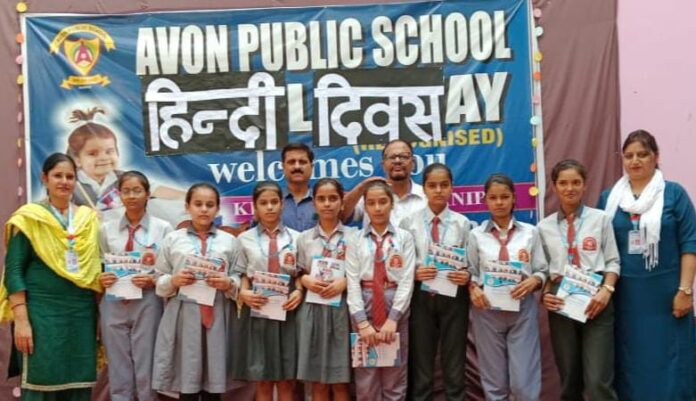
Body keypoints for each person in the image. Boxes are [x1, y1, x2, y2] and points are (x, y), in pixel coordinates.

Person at [597, 130, 696, 401]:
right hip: (625, 297)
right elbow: (599, 248)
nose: (635, 161)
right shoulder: (609, 199)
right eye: (628, 156)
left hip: (668, 296)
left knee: (672, 363)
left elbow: (690, 244)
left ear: (656, 156)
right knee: (631, 362)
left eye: (642, 154)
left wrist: (685, 291)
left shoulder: (674, 194)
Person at [0, 152, 102, 401]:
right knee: (41, 382)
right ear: (44, 178)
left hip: (81, 314)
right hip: (41, 315)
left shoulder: (87, 219)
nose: (64, 181)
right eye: (58, 175)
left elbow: (96, 269)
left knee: (78, 382)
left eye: (70, 176)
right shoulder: (29, 218)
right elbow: (13, 271)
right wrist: (22, 321)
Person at [537, 160, 620, 401]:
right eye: (563, 183)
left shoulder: (601, 220)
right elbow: (542, 270)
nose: (569, 188)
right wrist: (545, 295)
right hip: (562, 304)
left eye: (576, 182)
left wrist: (607, 290)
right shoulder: (544, 227)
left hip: (597, 301)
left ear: (585, 185)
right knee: (569, 381)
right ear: (554, 186)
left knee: (597, 383)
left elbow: (613, 261)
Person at [151, 183, 241, 401]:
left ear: (217, 209)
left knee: (214, 384)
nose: (204, 209)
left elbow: (240, 279)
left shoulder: (229, 241)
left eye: (210, 205)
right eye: (198, 204)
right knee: (187, 380)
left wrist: (228, 283)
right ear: (187, 206)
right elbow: (158, 279)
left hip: (218, 314)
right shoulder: (173, 239)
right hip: (184, 316)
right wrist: (174, 280)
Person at [467, 174, 548, 401]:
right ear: (485, 201)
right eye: (493, 198)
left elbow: (542, 269)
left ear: (514, 198)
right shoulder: (476, 235)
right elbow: (470, 272)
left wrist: (535, 280)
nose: (499, 202)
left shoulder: (530, 232)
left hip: (522, 310)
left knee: (524, 383)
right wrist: (473, 289)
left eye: (504, 197)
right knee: (494, 383)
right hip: (487, 312)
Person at [98, 171, 174, 401]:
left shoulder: (163, 229)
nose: (131, 196)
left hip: (147, 302)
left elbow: (169, 270)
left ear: (148, 194)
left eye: (137, 190)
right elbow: (100, 264)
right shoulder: (106, 229)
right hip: (113, 303)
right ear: (119, 195)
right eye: (126, 191)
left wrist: (153, 279)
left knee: (146, 363)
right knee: (118, 364)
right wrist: (102, 278)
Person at [399, 163, 471, 401]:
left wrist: (466, 275)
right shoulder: (408, 223)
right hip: (420, 296)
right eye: (432, 185)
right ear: (425, 189)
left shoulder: (463, 224)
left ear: (452, 188)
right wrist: (414, 274)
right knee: (421, 363)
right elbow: (400, 265)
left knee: (454, 362)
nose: (438, 190)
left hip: (454, 297)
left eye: (444, 185)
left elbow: (471, 264)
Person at [231, 181, 303, 401]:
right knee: (262, 377)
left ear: (282, 205)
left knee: (286, 378)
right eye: (264, 203)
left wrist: (298, 291)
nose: (269, 207)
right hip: (258, 307)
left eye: (274, 202)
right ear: (255, 207)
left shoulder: (297, 238)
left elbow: (301, 273)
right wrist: (243, 293)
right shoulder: (244, 239)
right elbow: (241, 274)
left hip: (287, 308)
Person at [345, 181, 416, 401]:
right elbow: (352, 281)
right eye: (371, 203)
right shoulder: (355, 239)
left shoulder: (404, 237)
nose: (377, 208)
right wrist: (361, 323)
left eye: (383, 202)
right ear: (364, 207)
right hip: (364, 304)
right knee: (366, 375)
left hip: (393, 302)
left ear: (392, 203)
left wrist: (394, 318)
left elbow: (407, 280)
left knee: (395, 372)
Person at [296, 178, 354, 401]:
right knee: (318, 383)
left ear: (341, 202)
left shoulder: (354, 237)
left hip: (343, 312)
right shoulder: (304, 239)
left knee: (340, 382)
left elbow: (363, 272)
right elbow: (297, 273)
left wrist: (346, 281)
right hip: (313, 311)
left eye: (333, 198)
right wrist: (305, 280)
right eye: (321, 199)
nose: (327, 204)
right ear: (314, 203)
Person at [65, 107, 184, 215]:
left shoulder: (124, 178)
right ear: (77, 159)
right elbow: (57, 205)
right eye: (93, 153)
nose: (103, 158)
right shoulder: (71, 183)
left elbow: (156, 189)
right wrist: (84, 213)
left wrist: (187, 196)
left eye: (109, 151)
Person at [342, 140, 426, 227]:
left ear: (413, 163)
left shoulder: (426, 196)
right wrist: (361, 187)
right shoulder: (369, 195)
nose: (397, 161)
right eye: (392, 157)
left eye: (403, 156)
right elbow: (341, 216)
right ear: (383, 165)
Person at [281, 142, 316, 232]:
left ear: (311, 167)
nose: (297, 166)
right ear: (283, 167)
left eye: (302, 162)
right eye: (291, 162)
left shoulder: (323, 201)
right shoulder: (273, 202)